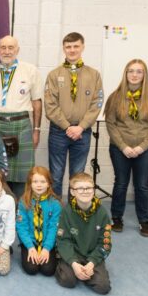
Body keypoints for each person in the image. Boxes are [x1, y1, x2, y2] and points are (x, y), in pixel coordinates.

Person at [0, 36, 43, 198]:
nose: (7, 51)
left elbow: (37, 103)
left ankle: (21, 212)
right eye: (3, 48)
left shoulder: (31, 71)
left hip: (21, 125)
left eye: (11, 48)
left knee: (22, 176)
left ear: (17, 50)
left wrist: (36, 130)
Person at [104, 59, 148, 237]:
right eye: (131, 71)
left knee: (142, 185)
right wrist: (123, 147)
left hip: (144, 149)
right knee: (121, 183)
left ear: (144, 75)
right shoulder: (115, 97)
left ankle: (144, 220)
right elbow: (111, 123)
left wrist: (141, 147)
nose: (135, 75)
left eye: (139, 71)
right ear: (126, 74)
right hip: (119, 148)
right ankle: (116, 218)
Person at [44, 32, 104, 196]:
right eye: (68, 47)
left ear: (82, 47)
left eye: (76, 46)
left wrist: (81, 127)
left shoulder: (94, 75)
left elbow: (97, 103)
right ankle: (55, 213)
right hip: (58, 131)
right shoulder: (54, 75)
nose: (72, 50)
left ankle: (74, 211)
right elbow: (50, 105)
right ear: (63, 48)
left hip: (82, 133)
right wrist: (67, 127)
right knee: (55, 176)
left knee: (78, 175)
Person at [55, 172, 112, 295]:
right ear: (72, 192)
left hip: (92, 255)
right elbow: (63, 241)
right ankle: (73, 268)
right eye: (80, 188)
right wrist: (74, 264)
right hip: (73, 253)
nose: (85, 191)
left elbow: (105, 244)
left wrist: (91, 263)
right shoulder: (66, 212)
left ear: (93, 190)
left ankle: (87, 272)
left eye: (88, 188)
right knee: (68, 281)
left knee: (103, 287)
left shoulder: (102, 213)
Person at [16, 166, 61, 276]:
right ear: (30, 183)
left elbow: (53, 228)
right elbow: (21, 227)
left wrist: (46, 248)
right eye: (35, 181)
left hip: (47, 241)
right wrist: (30, 247)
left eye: (43, 181)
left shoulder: (55, 204)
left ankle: (51, 251)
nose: (39, 185)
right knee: (31, 269)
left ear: (49, 183)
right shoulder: (24, 202)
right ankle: (26, 249)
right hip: (30, 241)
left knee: (48, 270)